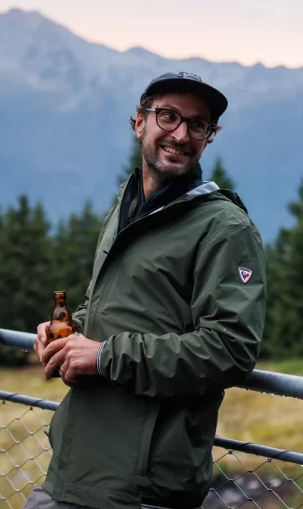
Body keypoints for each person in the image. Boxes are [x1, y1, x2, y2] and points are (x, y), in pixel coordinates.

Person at [27, 72, 268, 509]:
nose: (181, 134)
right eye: (169, 116)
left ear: (209, 138)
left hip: (144, 485)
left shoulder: (225, 228)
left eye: (199, 125)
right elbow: (115, 309)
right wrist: (68, 333)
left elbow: (231, 348)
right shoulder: (129, 202)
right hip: (75, 467)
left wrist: (102, 356)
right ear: (138, 122)